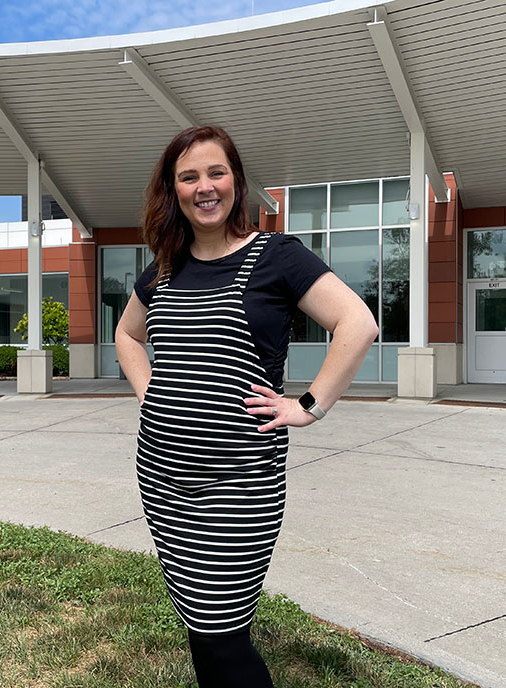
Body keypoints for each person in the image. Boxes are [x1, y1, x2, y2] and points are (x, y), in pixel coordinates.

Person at [115, 125, 378, 687]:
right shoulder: (165, 266)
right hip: (163, 475)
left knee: (222, 634)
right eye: (189, 177)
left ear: (236, 181)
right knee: (199, 622)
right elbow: (127, 335)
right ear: (173, 190)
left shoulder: (275, 256)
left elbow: (357, 323)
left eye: (217, 172)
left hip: (240, 478)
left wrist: (309, 405)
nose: (204, 187)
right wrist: (149, 393)